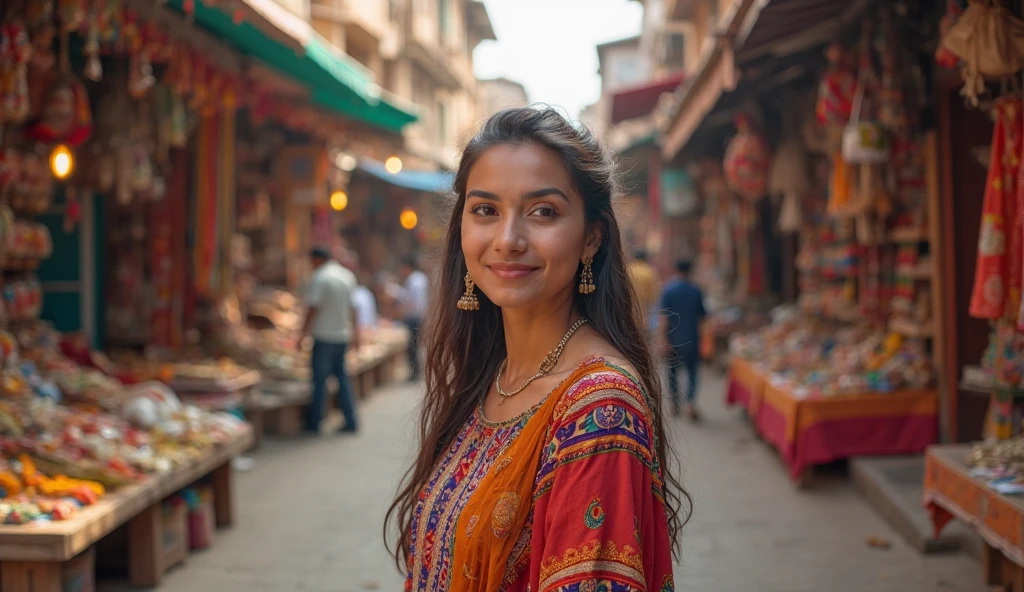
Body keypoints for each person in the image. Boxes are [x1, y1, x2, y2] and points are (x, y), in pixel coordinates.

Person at [386, 107, 687, 591]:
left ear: (592, 238)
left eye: (543, 212)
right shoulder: (494, 375)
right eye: (485, 210)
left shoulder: (598, 404)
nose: (508, 240)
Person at [299, 247, 359, 434]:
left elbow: (313, 308)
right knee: (342, 378)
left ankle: (315, 421)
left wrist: (302, 334)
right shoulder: (347, 276)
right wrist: (357, 334)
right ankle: (351, 420)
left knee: (319, 380)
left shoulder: (320, 277)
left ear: (316, 259)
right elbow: (353, 309)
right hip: (342, 335)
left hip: (324, 336)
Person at [659, 259, 707, 420]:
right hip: (692, 337)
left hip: (673, 338)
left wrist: (663, 339)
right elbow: (702, 318)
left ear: (675, 269)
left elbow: (664, 318)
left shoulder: (668, 290)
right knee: (692, 371)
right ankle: (690, 401)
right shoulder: (696, 291)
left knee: (672, 372)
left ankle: (674, 403)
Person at [397, 256, 429, 381]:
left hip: (414, 316)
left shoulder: (413, 280)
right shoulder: (421, 278)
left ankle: (415, 372)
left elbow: (412, 301)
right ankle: (417, 371)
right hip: (419, 315)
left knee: (413, 345)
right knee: (416, 345)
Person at [628, 249, 660, 340]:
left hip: (630, 306)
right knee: (644, 335)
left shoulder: (628, 269)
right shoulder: (649, 271)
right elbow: (654, 292)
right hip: (645, 308)